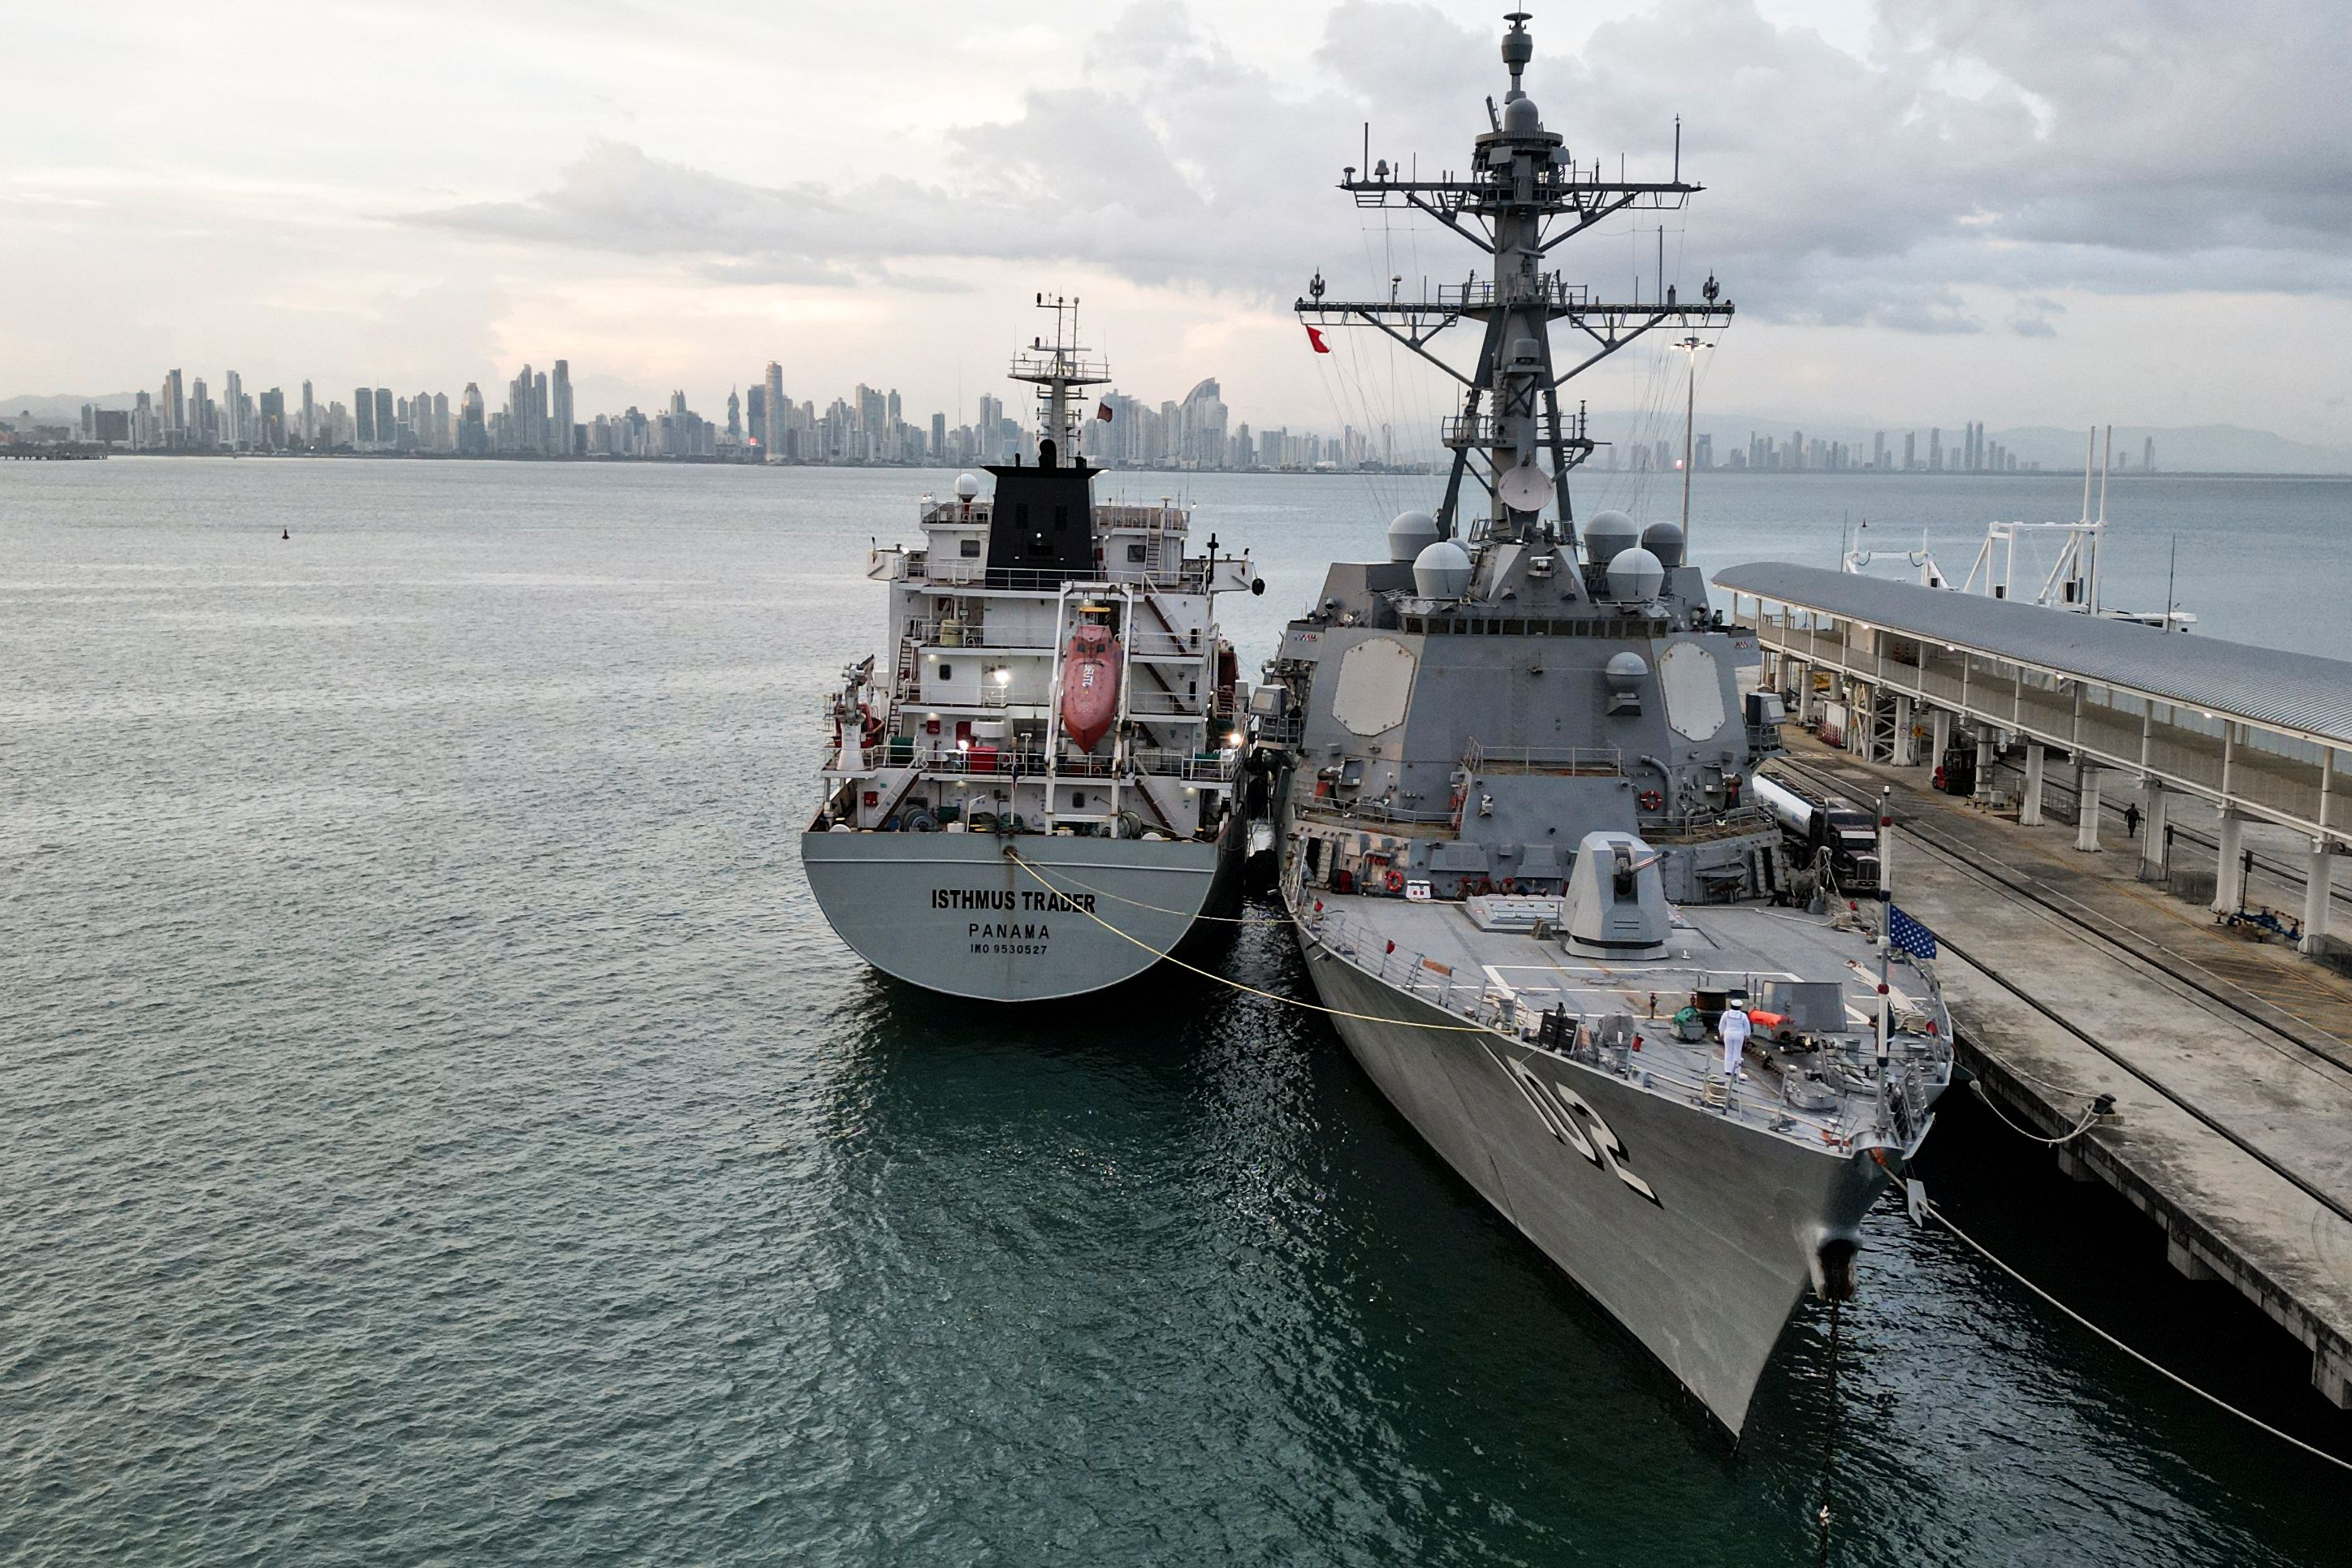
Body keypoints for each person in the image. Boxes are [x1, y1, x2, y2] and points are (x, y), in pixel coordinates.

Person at [1719, 1004, 1751, 1081]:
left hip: (1728, 1034)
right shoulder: (1743, 1016)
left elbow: (1722, 1024)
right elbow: (1747, 1026)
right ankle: (1736, 1070)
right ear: (1740, 1007)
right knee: (1737, 1052)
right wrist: (1748, 1035)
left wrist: (1721, 1033)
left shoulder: (1726, 1014)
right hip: (1739, 1036)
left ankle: (1727, 1070)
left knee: (1728, 1051)